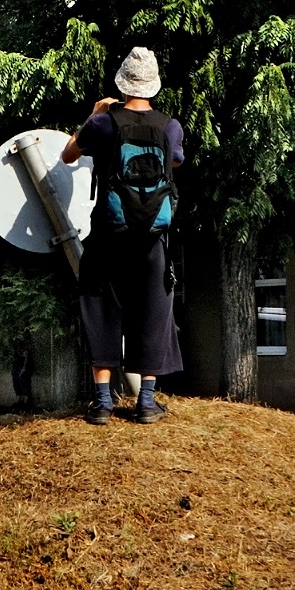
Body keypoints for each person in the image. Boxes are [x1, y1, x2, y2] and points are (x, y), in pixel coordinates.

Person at [62, 46, 186, 426]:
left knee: (99, 307)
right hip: (153, 238)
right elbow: (176, 161)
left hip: (108, 235)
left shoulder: (104, 124)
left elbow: (68, 154)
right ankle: (146, 402)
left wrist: (94, 114)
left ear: (122, 82)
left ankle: (102, 403)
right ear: (153, 85)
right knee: (153, 310)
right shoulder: (170, 125)